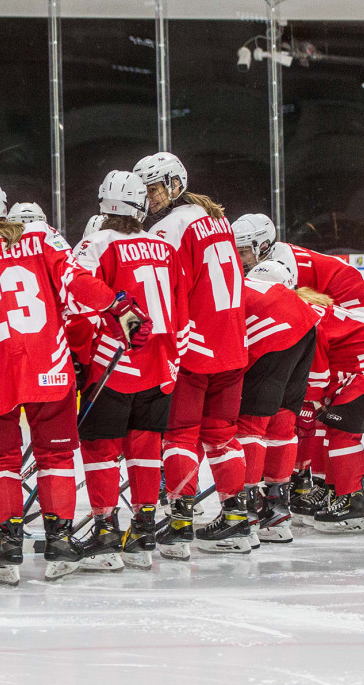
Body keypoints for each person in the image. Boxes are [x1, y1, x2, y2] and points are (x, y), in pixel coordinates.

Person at [0, 176, 151, 585]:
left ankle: (9, 547)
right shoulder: (41, 237)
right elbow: (77, 283)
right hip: (49, 363)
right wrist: (118, 306)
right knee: (55, 457)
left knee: (0, 461)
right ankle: (60, 541)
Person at [69, 170, 188, 570]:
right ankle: (143, 532)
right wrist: (172, 360)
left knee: (100, 447)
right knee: (145, 447)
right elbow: (181, 309)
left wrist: (86, 349)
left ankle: (105, 533)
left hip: (115, 364)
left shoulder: (97, 243)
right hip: (161, 365)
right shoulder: (163, 246)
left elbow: (74, 291)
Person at [132, 151, 248, 558]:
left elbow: (165, 290)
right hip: (232, 344)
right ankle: (236, 519)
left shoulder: (170, 227)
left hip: (195, 346)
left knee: (180, 434)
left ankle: (181, 522)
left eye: (154, 189)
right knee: (222, 435)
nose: (148, 197)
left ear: (175, 185)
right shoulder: (217, 219)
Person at [274, 285, 364, 534]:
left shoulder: (303, 317)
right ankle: (334, 491)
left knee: (343, 433)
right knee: (333, 427)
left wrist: (309, 403)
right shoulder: (307, 308)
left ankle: (353, 504)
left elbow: (316, 373)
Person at [235, 260, 319, 547]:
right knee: (283, 425)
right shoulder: (297, 301)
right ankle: (277, 512)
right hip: (305, 326)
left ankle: (246, 513)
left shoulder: (244, 289)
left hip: (270, 336)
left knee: (250, 426)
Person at [232, 213, 364, 319]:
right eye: (235, 252)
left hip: (344, 287)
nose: (239, 259)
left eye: (243, 252)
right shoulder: (272, 256)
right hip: (331, 287)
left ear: (263, 246)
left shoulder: (277, 267)